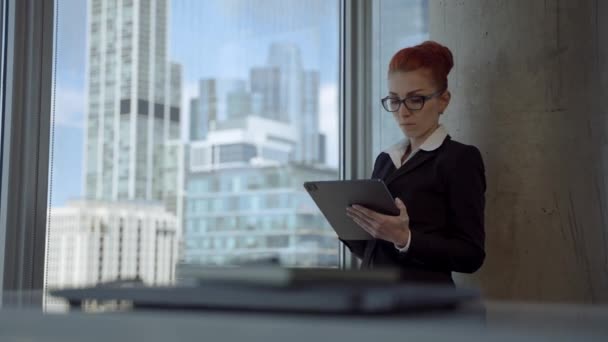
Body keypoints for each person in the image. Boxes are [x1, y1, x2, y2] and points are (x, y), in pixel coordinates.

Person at [343, 41, 486, 285]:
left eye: (415, 99)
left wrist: (405, 238)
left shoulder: (459, 159)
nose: (403, 112)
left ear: (443, 100)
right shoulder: (385, 160)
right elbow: (375, 251)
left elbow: (470, 255)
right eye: (395, 100)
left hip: (424, 310)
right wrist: (352, 226)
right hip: (375, 303)